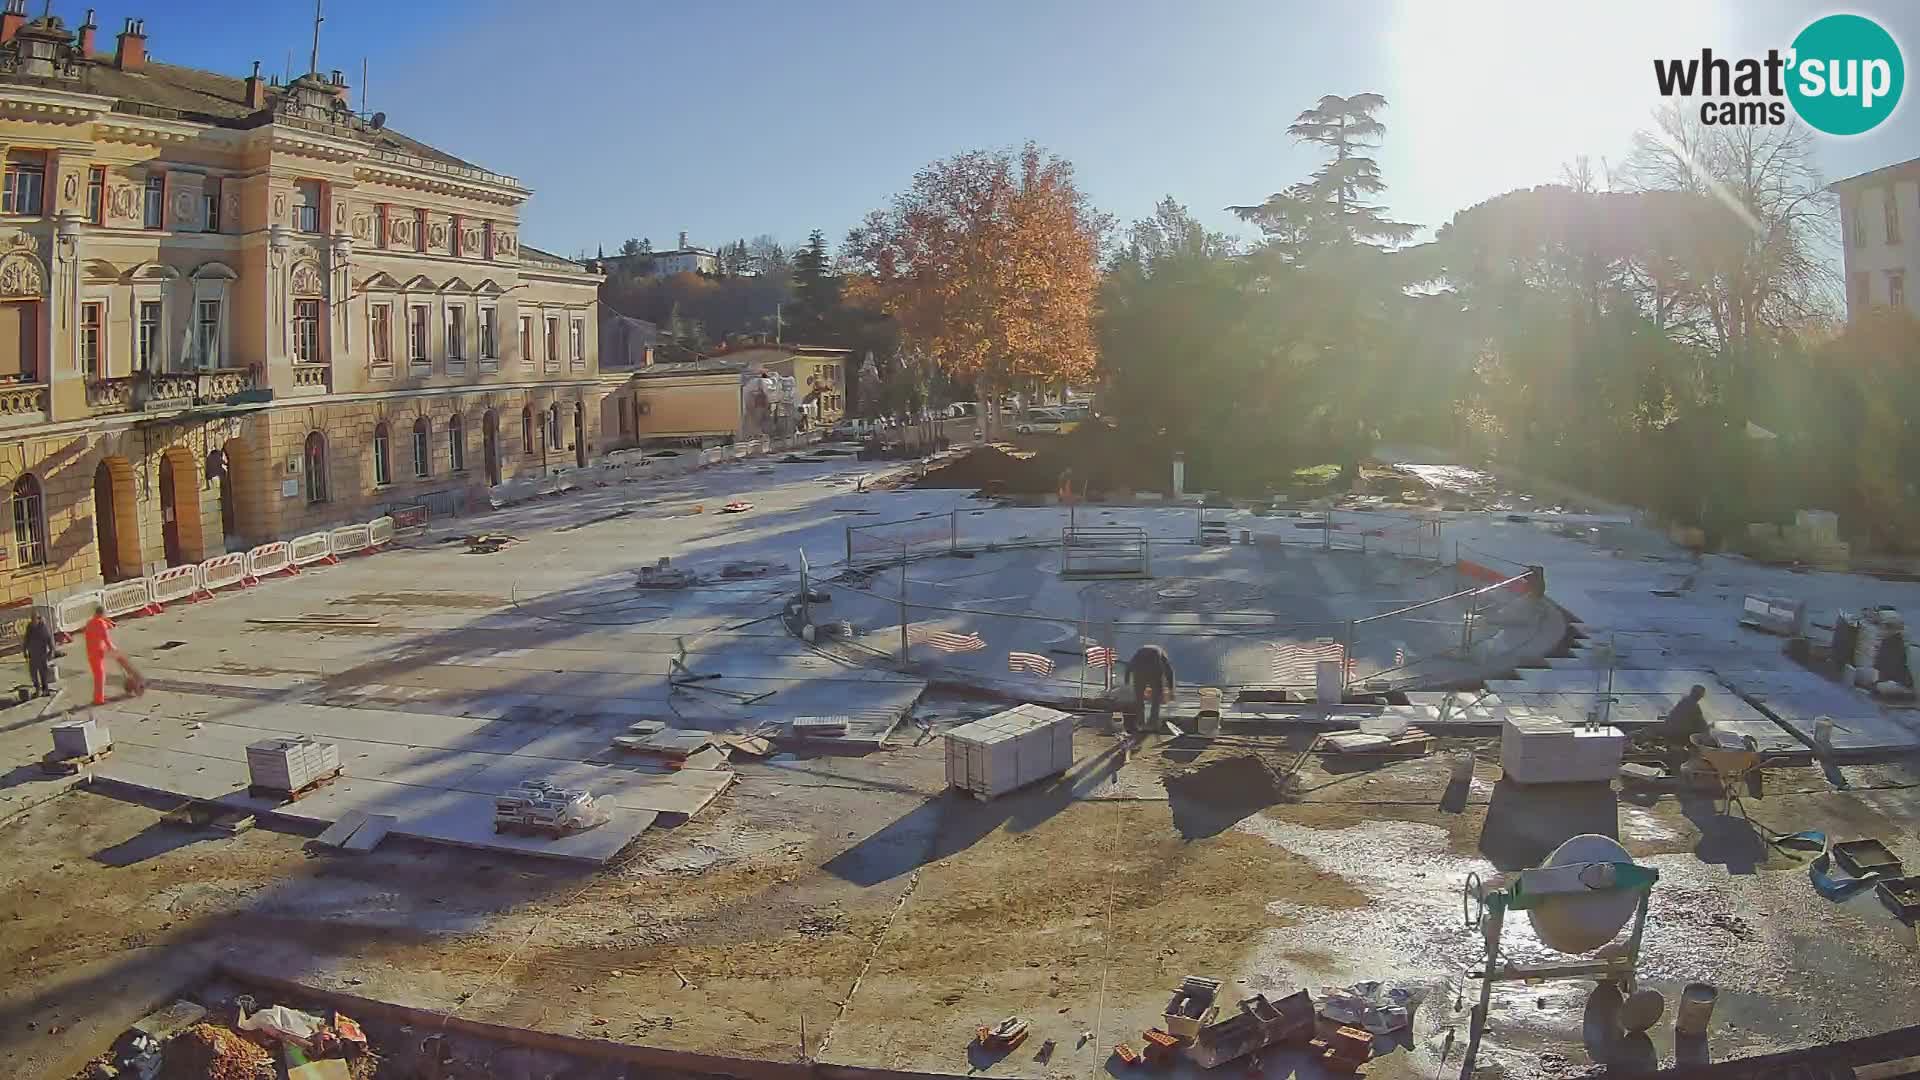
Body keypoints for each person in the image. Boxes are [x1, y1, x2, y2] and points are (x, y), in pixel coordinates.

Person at [1126, 643, 1175, 736]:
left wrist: (1127, 680)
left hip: (1139, 673)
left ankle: (1140, 723)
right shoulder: (1161, 653)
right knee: (1156, 700)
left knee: (1139, 699)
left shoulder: (1139, 652)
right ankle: (1152, 724)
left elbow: (1129, 665)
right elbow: (1168, 670)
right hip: (1155, 673)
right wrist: (1171, 687)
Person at [82, 605, 118, 706]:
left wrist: (107, 623)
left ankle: (99, 695)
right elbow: (106, 639)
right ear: (102, 614)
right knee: (100, 676)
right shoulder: (101, 624)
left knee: (97, 674)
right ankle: (99, 699)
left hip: (90, 652)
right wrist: (113, 649)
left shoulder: (90, 622)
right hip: (98, 652)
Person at [1665, 684, 1709, 750]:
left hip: (1672, 732)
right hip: (1681, 734)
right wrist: (1707, 730)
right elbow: (1700, 722)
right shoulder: (1693, 705)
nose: (1701, 696)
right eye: (1701, 694)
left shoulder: (1684, 701)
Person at [23, 610, 54, 697]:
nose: (33, 621)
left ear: (38, 619)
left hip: (42, 654)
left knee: (43, 673)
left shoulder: (43, 627)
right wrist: (24, 651)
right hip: (32, 654)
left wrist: (51, 651)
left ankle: (45, 690)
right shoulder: (29, 627)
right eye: (32, 619)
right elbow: (26, 640)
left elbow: (49, 639)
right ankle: (37, 689)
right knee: (33, 674)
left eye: (34, 619)